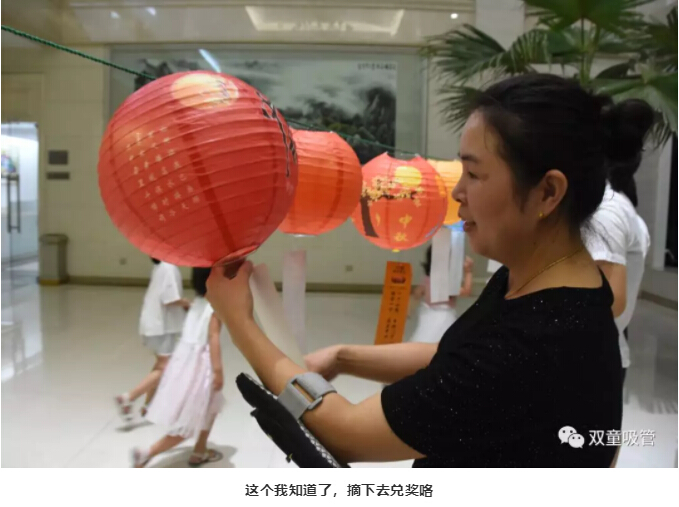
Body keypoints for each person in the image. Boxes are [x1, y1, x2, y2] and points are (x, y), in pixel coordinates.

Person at [206, 74, 651, 467]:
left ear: (548, 193)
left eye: (474, 175)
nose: (457, 193)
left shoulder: (536, 342)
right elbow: (460, 356)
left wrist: (240, 322)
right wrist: (344, 356)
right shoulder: (544, 283)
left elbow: (344, 431)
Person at [584, 99, 654, 384]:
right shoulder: (609, 205)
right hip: (592, 359)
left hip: (589, 364)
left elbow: (603, 306)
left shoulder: (606, 211)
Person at [131, 267, 225, 468]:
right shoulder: (216, 307)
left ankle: (200, 450)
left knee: (210, 407)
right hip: (201, 368)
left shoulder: (197, 304)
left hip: (184, 363)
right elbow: (213, 337)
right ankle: (147, 453)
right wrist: (218, 371)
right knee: (190, 421)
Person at [115, 258, 189, 421]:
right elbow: (170, 299)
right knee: (165, 368)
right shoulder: (169, 268)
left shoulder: (161, 267)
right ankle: (129, 397)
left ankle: (148, 406)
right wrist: (187, 304)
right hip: (160, 326)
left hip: (155, 323)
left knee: (160, 366)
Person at [408, 245, 473, 344]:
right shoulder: (446, 280)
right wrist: (468, 272)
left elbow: (417, 293)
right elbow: (466, 292)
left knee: (425, 337)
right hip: (444, 316)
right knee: (441, 340)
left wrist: (409, 310)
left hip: (427, 313)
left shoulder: (427, 278)